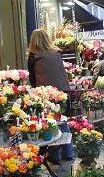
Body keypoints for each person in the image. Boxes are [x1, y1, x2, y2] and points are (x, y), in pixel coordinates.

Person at [28, 29, 73, 161]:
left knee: (50, 123)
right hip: (63, 92)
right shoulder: (57, 53)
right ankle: (69, 153)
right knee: (62, 121)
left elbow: (33, 79)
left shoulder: (34, 56)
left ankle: (55, 156)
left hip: (47, 94)